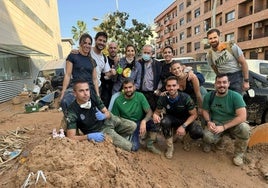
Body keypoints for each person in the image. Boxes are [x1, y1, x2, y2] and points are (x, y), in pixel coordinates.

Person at [65, 80, 137, 151]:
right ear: (74, 93)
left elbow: (107, 112)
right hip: (100, 131)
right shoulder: (72, 111)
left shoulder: (93, 97)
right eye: (81, 91)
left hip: (108, 120)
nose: (85, 93)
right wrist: (88, 136)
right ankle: (115, 142)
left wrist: (104, 115)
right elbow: (71, 137)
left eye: (87, 90)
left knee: (133, 126)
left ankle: (116, 138)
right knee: (131, 147)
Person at [202, 74, 250, 166]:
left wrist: (224, 127)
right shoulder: (209, 96)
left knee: (245, 128)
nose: (221, 85)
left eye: (224, 82)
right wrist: (208, 121)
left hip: (232, 123)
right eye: (219, 82)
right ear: (215, 84)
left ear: (228, 84)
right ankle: (218, 141)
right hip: (216, 123)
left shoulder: (235, 96)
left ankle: (239, 154)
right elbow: (205, 110)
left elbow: (242, 117)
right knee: (207, 136)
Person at [153, 76, 203, 159]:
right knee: (164, 122)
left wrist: (183, 126)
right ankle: (170, 148)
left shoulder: (185, 98)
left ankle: (186, 140)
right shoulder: (163, 98)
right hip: (173, 119)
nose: (171, 88)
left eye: (173, 85)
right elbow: (157, 112)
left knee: (198, 132)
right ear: (166, 87)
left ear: (178, 86)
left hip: (186, 119)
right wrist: (155, 115)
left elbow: (194, 115)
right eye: (169, 86)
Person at [111, 78, 161, 154]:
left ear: (134, 87)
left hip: (139, 121)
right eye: (125, 88)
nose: (128, 90)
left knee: (155, 122)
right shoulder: (118, 100)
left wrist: (144, 121)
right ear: (123, 89)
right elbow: (114, 118)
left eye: (130, 87)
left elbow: (149, 112)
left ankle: (149, 144)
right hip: (129, 124)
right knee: (134, 147)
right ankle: (131, 138)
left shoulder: (140, 96)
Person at [60, 33, 99, 114]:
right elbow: (67, 74)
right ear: (80, 43)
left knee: (93, 112)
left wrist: (97, 94)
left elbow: (95, 79)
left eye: (89, 44)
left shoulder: (92, 61)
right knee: (65, 102)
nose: (87, 46)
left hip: (89, 89)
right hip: (76, 88)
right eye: (85, 43)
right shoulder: (73, 56)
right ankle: (70, 122)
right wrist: (63, 91)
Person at [206, 28, 250, 94]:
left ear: (219, 37)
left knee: (237, 102)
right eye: (210, 38)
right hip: (222, 79)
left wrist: (246, 81)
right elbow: (215, 69)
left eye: (215, 37)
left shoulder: (231, 46)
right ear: (208, 40)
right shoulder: (209, 55)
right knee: (223, 102)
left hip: (236, 77)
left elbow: (243, 63)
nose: (213, 40)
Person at [138, 44, 162, 111]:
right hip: (141, 93)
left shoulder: (157, 64)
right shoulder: (139, 63)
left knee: (153, 111)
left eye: (148, 53)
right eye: (144, 53)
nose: (146, 54)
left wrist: (158, 89)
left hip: (153, 94)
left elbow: (160, 78)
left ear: (152, 54)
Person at [100, 41, 119, 107]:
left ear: (117, 49)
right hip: (105, 90)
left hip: (117, 90)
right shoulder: (104, 60)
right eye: (111, 48)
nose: (113, 50)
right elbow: (102, 76)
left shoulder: (121, 61)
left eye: (114, 48)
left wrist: (116, 65)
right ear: (108, 49)